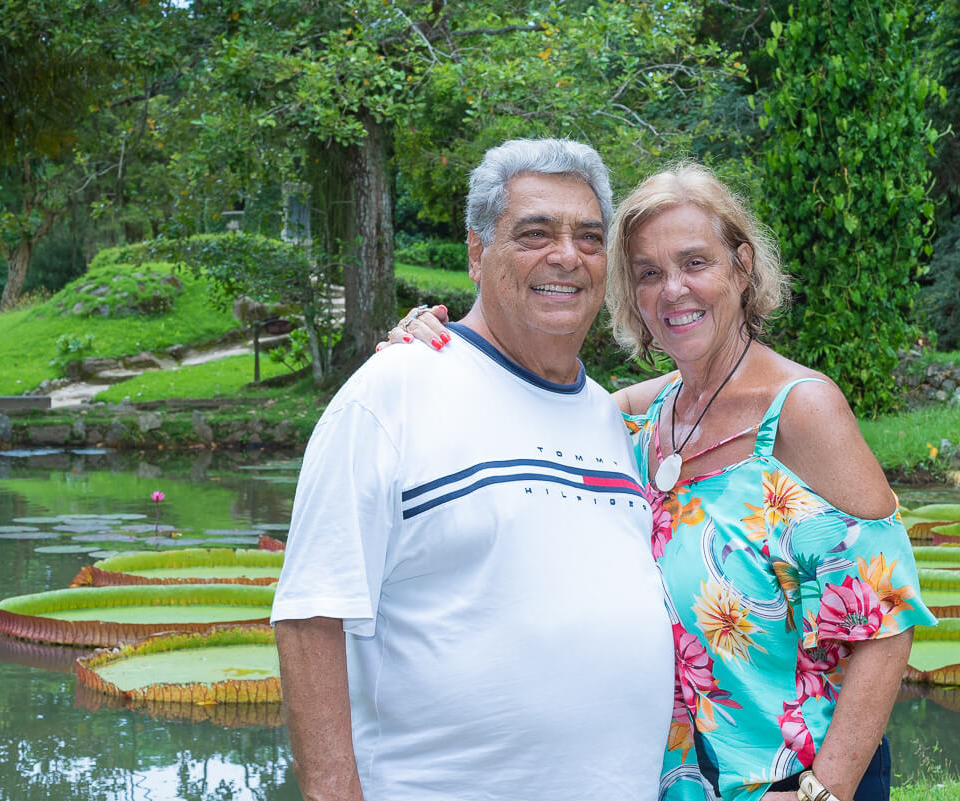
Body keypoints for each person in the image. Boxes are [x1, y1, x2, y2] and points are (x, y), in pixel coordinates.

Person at [391, 162, 936, 801]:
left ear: (742, 266)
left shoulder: (801, 412)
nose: (673, 289)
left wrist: (826, 791)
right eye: (649, 273)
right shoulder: (630, 417)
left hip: (793, 782)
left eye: (695, 263)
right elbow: (520, 399)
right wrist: (440, 347)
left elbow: (887, 617)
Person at [271, 138, 674, 801]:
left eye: (589, 238)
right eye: (535, 233)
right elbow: (312, 614)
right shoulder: (392, 392)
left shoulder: (610, 421)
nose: (567, 256)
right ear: (477, 252)